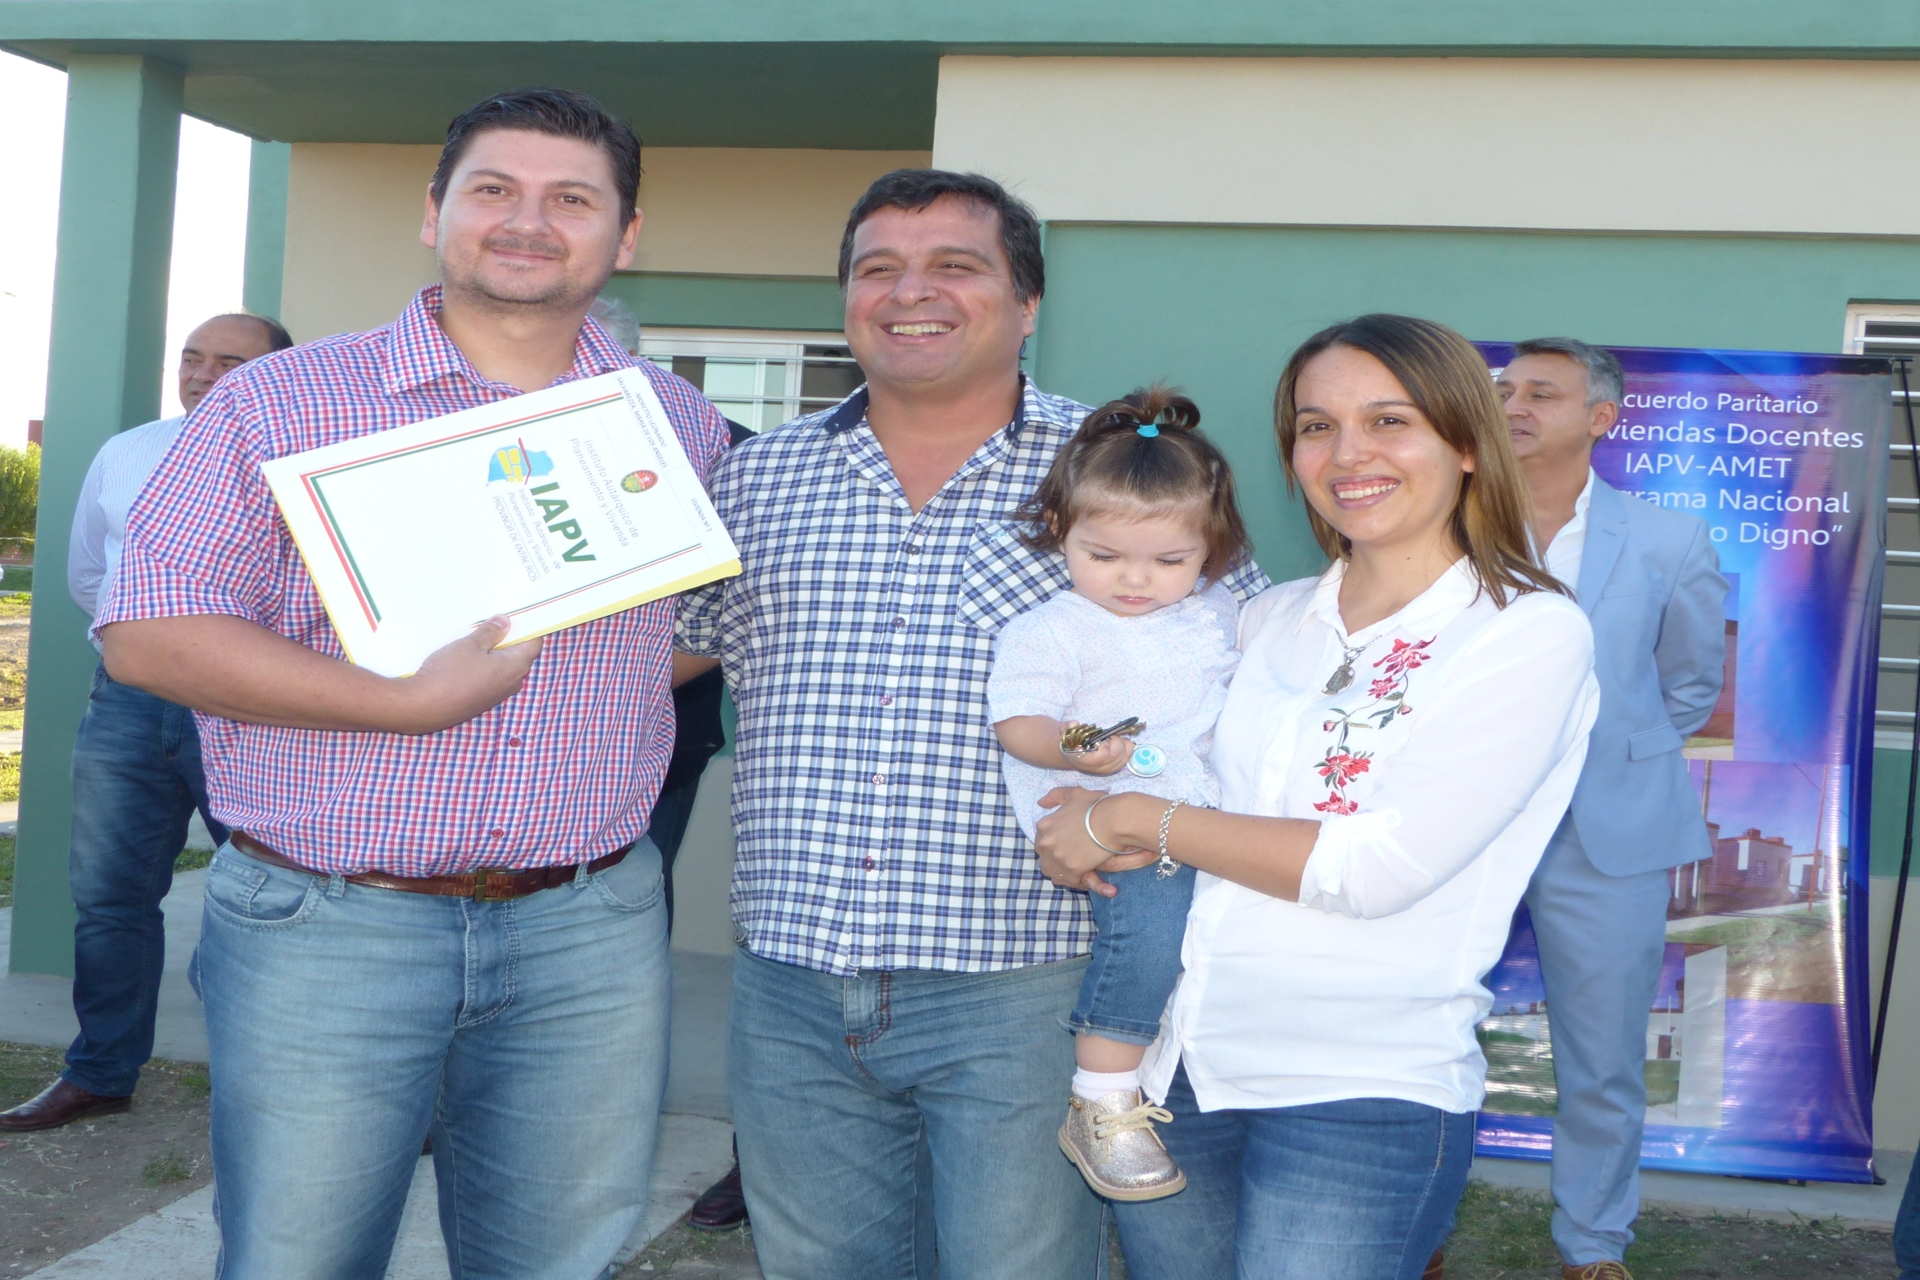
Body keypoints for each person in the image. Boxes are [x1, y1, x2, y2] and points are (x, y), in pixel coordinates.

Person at [94, 88, 728, 1278]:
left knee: (556, 1258)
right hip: (331, 920)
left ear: (627, 234)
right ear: (434, 211)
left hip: (589, 926)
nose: (528, 221)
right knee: (299, 1257)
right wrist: (405, 700)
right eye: (493, 189)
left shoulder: (673, 426)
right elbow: (147, 632)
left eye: (572, 198)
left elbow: (684, 629)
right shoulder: (279, 400)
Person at [672, 170, 1268, 1279]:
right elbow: (652, 659)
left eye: (956, 266)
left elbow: (1246, 687)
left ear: (1027, 302)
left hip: (1029, 985)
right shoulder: (754, 480)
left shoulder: (1126, 471)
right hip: (792, 983)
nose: (912, 291)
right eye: (879, 268)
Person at [1034, 314, 1600, 1280]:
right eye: (1315, 427)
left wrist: (1132, 821)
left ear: (1468, 443)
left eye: (1390, 421)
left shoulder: (1524, 631)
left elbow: (1374, 869)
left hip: (1360, 1090)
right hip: (1182, 1074)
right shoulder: (1263, 618)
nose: (1347, 454)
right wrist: (1083, 809)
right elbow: (1153, 758)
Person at [0, 313, 291, 1135]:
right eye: (192, 357)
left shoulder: (303, 460)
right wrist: (152, 651)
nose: (202, 373)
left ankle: (288, 1083)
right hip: (129, 703)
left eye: (229, 361)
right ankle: (101, 1072)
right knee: (110, 897)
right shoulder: (128, 451)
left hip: (253, 705)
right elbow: (91, 574)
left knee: (277, 894)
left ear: (278, 373)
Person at [1496, 338, 1726, 1280]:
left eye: (1541, 393)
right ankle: (1412, 1228)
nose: (1513, 405)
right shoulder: (1445, 525)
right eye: (1504, 389)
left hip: (1609, 830)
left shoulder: (1669, 539)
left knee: (1602, 1060)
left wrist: (1608, 751)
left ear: (1600, 418)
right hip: (1454, 827)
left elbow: (1690, 685)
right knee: (1417, 1029)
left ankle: (1592, 1246)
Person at [988, 385, 1248, 1202]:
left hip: (1206, 817)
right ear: (1061, 531)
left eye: (1169, 561)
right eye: (1105, 556)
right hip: (1115, 827)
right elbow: (1019, 723)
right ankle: (1101, 1100)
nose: (1136, 579)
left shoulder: (1218, 612)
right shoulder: (1054, 629)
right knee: (1146, 941)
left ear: (1211, 549)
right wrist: (1080, 747)